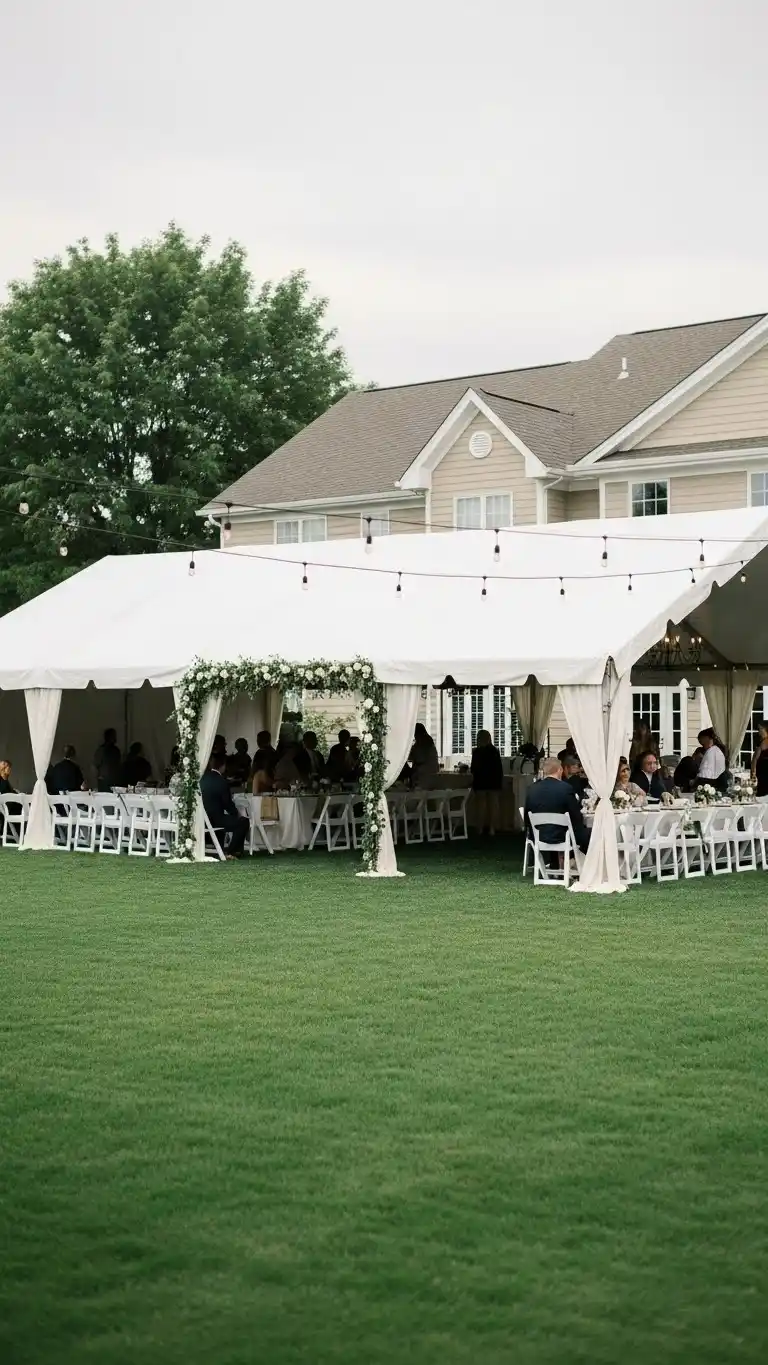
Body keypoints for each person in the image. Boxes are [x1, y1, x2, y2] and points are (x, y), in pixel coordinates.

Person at [524, 757, 590, 855]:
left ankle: (557, 863)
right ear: (560, 770)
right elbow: (576, 816)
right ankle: (580, 863)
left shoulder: (532, 788)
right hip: (563, 838)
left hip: (538, 836)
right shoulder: (565, 788)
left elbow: (527, 817)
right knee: (590, 833)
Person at [200, 754, 249, 858]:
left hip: (202, 820)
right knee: (243, 822)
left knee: (230, 820)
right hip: (216, 820)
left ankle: (233, 850)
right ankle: (232, 851)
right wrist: (236, 814)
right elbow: (227, 804)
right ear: (223, 766)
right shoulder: (222, 781)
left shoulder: (202, 779)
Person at [470, 729, 504, 835]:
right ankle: (492, 828)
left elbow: (473, 768)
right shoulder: (494, 751)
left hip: (480, 782)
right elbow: (499, 768)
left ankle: (480, 828)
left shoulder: (477, 752)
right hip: (493, 782)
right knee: (493, 806)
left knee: (481, 806)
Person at [696, 727, 728, 792]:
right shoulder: (716, 750)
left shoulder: (712, 751)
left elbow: (705, 774)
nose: (701, 744)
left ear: (707, 738)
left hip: (712, 785)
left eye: (702, 742)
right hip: (719, 784)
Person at [409, 723, 440, 787]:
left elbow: (418, 758)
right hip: (433, 773)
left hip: (423, 774)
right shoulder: (428, 740)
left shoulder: (422, 742)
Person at [751, 722, 768, 798]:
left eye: (760, 729)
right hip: (763, 772)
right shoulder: (762, 741)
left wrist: (753, 773)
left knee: (761, 794)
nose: (759, 731)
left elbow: (755, 759)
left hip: (763, 773)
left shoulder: (763, 742)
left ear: (765, 729)